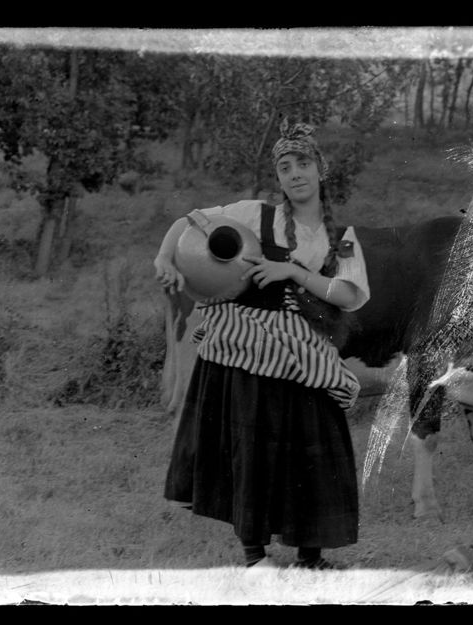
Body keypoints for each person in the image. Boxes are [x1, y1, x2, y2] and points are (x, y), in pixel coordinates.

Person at [153, 120, 370, 570]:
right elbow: (189, 221)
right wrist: (162, 257)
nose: (295, 174)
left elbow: (350, 295)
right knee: (250, 448)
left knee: (313, 450)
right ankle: (254, 557)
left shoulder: (342, 237)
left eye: (304, 164)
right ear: (278, 178)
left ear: (321, 170)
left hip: (305, 356)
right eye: (285, 167)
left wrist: (296, 273)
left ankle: (311, 558)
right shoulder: (255, 214)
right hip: (245, 351)